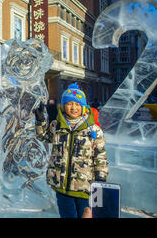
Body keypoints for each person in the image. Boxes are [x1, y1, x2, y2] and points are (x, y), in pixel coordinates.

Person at [34, 83, 108, 218]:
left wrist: (101, 177)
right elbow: (44, 136)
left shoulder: (93, 130)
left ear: (83, 107)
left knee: (85, 215)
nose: (74, 107)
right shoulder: (57, 125)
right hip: (61, 185)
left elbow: (100, 156)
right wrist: (40, 121)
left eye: (78, 104)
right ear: (63, 106)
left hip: (84, 185)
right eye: (69, 104)